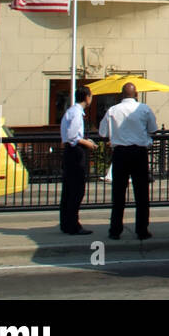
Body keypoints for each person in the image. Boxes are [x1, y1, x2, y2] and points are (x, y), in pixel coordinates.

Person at [98, 82, 159, 240]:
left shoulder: (112, 110)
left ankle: (115, 229)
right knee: (141, 194)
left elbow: (102, 132)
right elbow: (153, 129)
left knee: (118, 194)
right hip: (139, 152)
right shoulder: (144, 109)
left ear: (121, 94)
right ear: (136, 94)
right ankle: (142, 230)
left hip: (120, 153)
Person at [59, 85, 96, 235]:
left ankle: (66, 223)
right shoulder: (76, 113)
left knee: (69, 190)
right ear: (87, 97)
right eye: (91, 96)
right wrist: (88, 143)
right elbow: (73, 136)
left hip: (71, 151)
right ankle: (73, 225)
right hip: (75, 153)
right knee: (76, 190)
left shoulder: (71, 111)